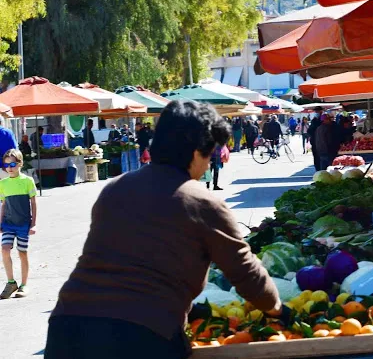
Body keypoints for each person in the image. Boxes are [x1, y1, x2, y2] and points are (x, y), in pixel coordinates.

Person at [45, 100, 282, 359]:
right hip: (140, 337)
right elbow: (245, 271)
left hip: (68, 328)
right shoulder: (202, 202)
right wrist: (278, 310)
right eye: (209, 153)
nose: (208, 164)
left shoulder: (115, 189)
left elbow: (134, 260)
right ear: (195, 152)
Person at [0, 149, 37, 299]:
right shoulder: (3, 183)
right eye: (6, 164)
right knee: (5, 249)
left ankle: (24, 284)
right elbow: (3, 204)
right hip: (8, 223)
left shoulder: (27, 181)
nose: (10, 167)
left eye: (13, 164)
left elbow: (34, 203)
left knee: (22, 253)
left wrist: (33, 224)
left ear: (20, 164)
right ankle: (11, 282)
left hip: (23, 224)